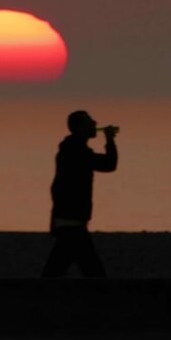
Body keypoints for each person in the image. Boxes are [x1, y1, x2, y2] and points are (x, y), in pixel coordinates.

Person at [41, 110, 118, 277]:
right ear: (81, 128)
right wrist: (110, 140)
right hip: (72, 221)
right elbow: (109, 164)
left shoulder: (71, 150)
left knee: (57, 269)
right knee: (93, 272)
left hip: (68, 220)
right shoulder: (78, 152)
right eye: (90, 121)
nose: (95, 123)